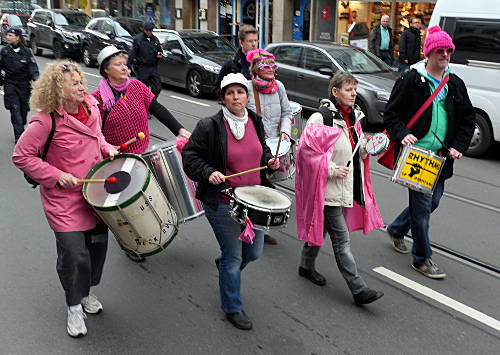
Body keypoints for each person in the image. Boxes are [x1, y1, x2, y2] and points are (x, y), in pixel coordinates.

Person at [12, 61, 119, 338]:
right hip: (64, 200)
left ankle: (84, 292)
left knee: (97, 251)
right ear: (59, 90)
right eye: (74, 83)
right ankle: (73, 307)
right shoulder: (44, 120)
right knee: (74, 255)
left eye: (81, 81)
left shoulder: (91, 107)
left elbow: (97, 137)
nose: (82, 86)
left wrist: (107, 148)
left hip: (95, 194)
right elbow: (21, 156)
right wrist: (57, 174)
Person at [182, 73, 280, 330]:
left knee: (254, 252)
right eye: (230, 93)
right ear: (222, 98)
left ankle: (226, 265)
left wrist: (269, 161)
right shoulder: (210, 126)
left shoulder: (255, 121)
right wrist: (208, 173)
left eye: (240, 92)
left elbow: (262, 150)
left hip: (254, 201)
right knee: (233, 256)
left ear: (247, 96)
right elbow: (191, 157)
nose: (236, 97)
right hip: (224, 201)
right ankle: (232, 308)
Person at [384, 26, 475, 279]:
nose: (444, 54)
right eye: (439, 50)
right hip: (417, 156)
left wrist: (458, 145)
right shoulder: (411, 79)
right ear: (429, 53)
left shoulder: (455, 83)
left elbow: (468, 119)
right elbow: (391, 114)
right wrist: (403, 134)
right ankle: (422, 259)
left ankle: (397, 228)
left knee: (432, 202)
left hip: (441, 158)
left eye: (448, 50)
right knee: (422, 210)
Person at [93, 45, 190, 262]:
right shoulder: (97, 99)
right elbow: (94, 133)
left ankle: (154, 231)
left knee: (151, 199)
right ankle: (129, 241)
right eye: (118, 65)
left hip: (143, 154)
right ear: (106, 70)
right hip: (118, 161)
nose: (124, 68)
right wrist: (106, 148)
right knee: (127, 208)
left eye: (125, 64)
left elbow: (157, 109)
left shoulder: (136, 86)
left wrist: (179, 129)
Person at [295, 71, 384, 306]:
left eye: (355, 89)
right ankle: (358, 289)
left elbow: (356, 149)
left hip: (345, 186)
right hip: (327, 189)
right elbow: (306, 153)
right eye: (348, 89)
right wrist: (331, 169)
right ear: (335, 92)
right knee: (341, 240)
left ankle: (306, 265)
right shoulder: (321, 119)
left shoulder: (353, 117)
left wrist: (369, 147)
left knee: (322, 229)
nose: (354, 93)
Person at [246, 48, 292, 245]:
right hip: (253, 147)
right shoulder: (247, 88)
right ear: (256, 69)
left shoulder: (279, 86)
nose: (272, 69)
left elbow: (287, 113)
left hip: (273, 145)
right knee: (257, 187)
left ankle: (259, 229)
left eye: (274, 65)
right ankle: (255, 229)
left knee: (263, 185)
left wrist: (285, 131)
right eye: (267, 66)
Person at [0, 26, 39, 143]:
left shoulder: (26, 51)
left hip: (24, 86)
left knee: (23, 111)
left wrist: (36, 80)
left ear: (17, 37)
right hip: (10, 84)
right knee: (15, 109)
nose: (7, 37)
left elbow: (33, 67)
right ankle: (20, 137)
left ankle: (20, 126)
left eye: (10, 35)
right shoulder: (4, 51)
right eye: (7, 35)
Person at [127, 21, 163, 98]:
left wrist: (159, 54)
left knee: (157, 87)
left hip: (153, 67)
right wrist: (128, 67)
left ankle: (151, 101)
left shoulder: (155, 39)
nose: (150, 32)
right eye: (148, 30)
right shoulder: (138, 39)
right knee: (143, 89)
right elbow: (132, 54)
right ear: (144, 30)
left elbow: (159, 50)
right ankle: (144, 104)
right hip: (142, 67)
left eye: (151, 30)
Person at [216, 25, 258, 89]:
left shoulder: (263, 62)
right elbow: (217, 88)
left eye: (256, 40)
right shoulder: (231, 64)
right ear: (241, 42)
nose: (254, 44)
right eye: (250, 41)